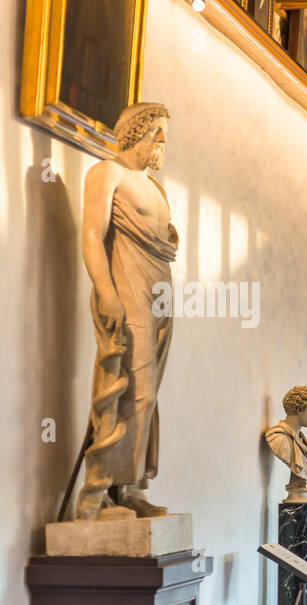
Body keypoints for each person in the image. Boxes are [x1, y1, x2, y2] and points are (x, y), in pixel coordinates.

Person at [75, 102, 178, 520]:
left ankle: (131, 487)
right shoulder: (107, 173)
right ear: (135, 132)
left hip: (159, 295)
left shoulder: (155, 186)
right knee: (130, 385)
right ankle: (97, 496)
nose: (163, 141)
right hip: (128, 289)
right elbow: (91, 234)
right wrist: (106, 291)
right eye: (157, 131)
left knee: (149, 393)